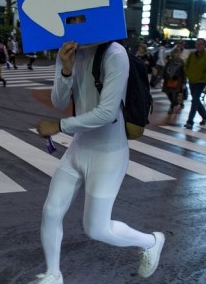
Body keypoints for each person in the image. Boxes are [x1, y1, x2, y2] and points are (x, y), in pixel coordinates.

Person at [33, 40, 165, 284]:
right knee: (51, 211)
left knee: (96, 229)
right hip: (78, 148)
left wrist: (59, 126)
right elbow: (60, 102)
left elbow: (106, 113)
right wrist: (65, 68)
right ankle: (53, 275)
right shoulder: (71, 50)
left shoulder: (115, 53)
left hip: (109, 154)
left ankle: (152, 241)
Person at [184, 38, 206, 129]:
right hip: (192, 80)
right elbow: (187, 65)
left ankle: (190, 121)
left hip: (201, 81)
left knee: (195, 100)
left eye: (200, 44)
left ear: (204, 45)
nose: (198, 46)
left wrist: (204, 76)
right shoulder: (192, 55)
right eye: (197, 44)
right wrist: (188, 73)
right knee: (195, 99)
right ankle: (205, 116)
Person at [162, 48, 186, 115]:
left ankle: (172, 107)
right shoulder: (170, 61)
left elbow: (183, 72)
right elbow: (165, 68)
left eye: (177, 53)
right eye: (175, 53)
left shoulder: (181, 61)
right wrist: (163, 76)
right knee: (168, 93)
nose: (176, 54)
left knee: (174, 94)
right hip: (168, 79)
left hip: (177, 80)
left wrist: (184, 81)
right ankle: (175, 103)